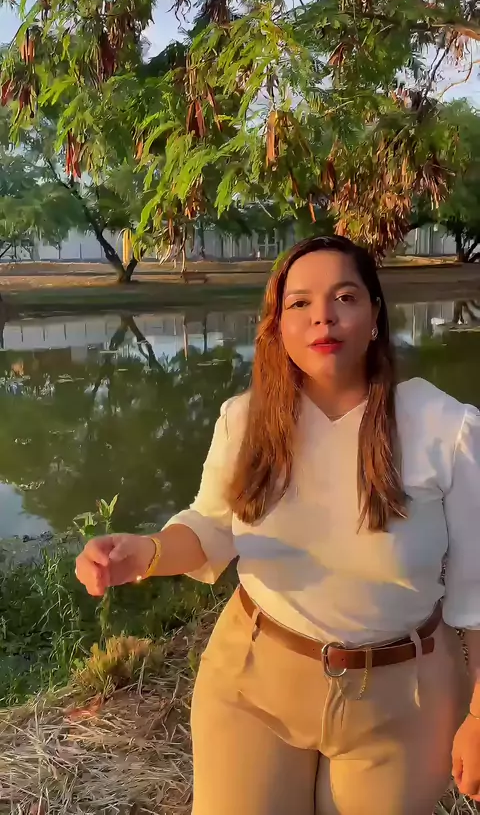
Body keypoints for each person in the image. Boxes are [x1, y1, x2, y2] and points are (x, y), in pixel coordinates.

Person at [75, 236, 480, 815]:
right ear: (277, 326)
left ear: (375, 316)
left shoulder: (445, 428)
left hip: (404, 699)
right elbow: (212, 528)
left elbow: (476, 593)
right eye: (300, 303)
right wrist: (145, 552)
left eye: (345, 297)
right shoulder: (245, 421)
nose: (323, 316)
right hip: (254, 681)